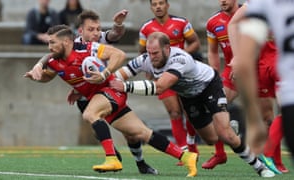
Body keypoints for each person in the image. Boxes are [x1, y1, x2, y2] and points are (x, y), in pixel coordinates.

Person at [24, 25, 198, 177]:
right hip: (102, 97)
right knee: (142, 133)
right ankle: (187, 157)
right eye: (48, 43)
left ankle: (112, 158)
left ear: (67, 42)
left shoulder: (87, 49)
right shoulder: (55, 61)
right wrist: (37, 76)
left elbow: (119, 55)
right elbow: (48, 77)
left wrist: (104, 73)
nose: (49, 47)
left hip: (111, 90)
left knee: (90, 113)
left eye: (52, 42)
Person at [111, 31, 275, 178]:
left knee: (226, 136)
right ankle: (229, 127)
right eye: (149, 52)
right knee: (210, 139)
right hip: (189, 97)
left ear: (167, 49)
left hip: (209, 85)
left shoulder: (180, 59)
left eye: (155, 53)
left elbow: (160, 87)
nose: (151, 57)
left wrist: (125, 86)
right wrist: (108, 79)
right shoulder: (146, 59)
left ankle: (259, 167)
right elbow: (121, 73)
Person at [27, 10, 158, 175]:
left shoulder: (99, 40)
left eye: (98, 29)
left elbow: (115, 35)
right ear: (80, 31)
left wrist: (118, 24)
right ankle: (112, 154)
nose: (96, 33)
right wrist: (40, 66)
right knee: (94, 121)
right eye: (91, 29)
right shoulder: (70, 44)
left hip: (107, 89)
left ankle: (140, 163)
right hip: (85, 94)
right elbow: (54, 56)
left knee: (130, 134)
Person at [229, 0, 294, 165]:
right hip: (271, 66)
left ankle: (270, 155)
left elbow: (244, 63)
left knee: (272, 114)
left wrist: (252, 120)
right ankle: (270, 153)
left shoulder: (263, 4)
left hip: (285, 86)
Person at [138, 0, 201, 161]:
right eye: (154, 4)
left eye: (161, 3)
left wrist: (181, 57)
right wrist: (149, 68)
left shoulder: (181, 23)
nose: (158, 7)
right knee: (174, 112)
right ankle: (184, 152)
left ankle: (192, 145)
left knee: (189, 113)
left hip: (182, 75)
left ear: (167, 5)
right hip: (162, 76)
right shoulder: (146, 28)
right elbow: (142, 52)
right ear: (151, 7)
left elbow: (195, 42)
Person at [204, 0, 243, 169]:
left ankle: (273, 157)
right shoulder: (213, 22)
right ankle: (220, 154)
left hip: (258, 65)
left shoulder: (250, 13)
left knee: (267, 115)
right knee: (213, 105)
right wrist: (214, 76)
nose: (223, 1)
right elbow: (213, 51)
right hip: (231, 70)